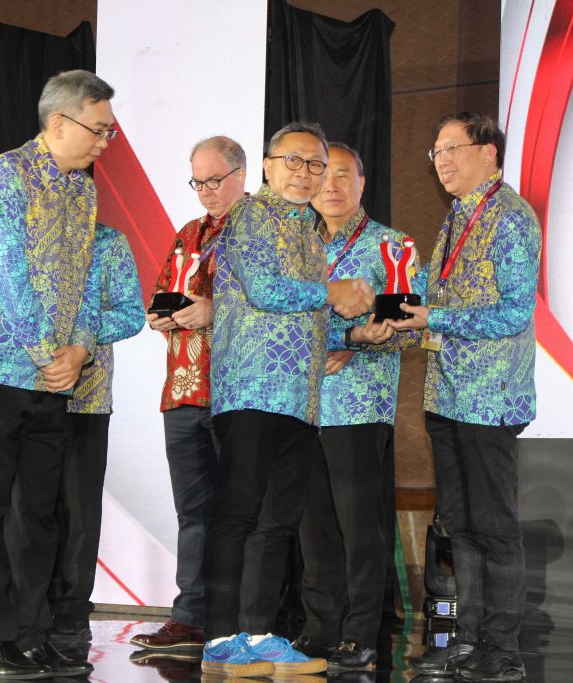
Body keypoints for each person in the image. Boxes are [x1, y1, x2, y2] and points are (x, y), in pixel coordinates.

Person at [0, 69, 115, 680]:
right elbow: (8, 274)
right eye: (99, 129)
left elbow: (85, 282)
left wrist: (80, 348)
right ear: (59, 122)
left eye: (110, 132)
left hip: (52, 377)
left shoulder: (84, 191)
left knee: (37, 514)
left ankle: (30, 632)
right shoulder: (8, 173)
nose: (105, 142)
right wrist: (51, 352)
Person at [200, 122, 374, 678]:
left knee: (276, 523)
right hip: (252, 391)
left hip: (301, 400)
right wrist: (332, 291)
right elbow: (265, 289)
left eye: (315, 165)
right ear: (268, 166)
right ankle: (218, 637)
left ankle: (257, 634)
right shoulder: (250, 215)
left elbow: (309, 316)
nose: (305, 173)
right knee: (238, 516)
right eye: (293, 161)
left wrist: (356, 334)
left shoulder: (311, 235)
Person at [390, 112, 540, 682]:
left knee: (495, 525)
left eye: (452, 147)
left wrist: (435, 316)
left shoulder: (511, 217)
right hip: (446, 394)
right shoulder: (457, 216)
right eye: (436, 151)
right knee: (461, 524)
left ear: (489, 152)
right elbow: (440, 295)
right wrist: (403, 310)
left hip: (489, 397)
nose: (442, 160)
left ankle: (503, 649)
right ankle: (470, 640)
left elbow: (513, 313)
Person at [295, 143, 425, 672]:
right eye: (322, 174)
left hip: (357, 406)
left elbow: (409, 329)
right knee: (313, 527)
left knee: (359, 525)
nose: (330, 185)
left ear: (362, 183)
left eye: (343, 174)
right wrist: (341, 336)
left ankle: (360, 633)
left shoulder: (391, 245)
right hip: (302, 406)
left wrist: (366, 340)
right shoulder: (297, 246)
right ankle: (319, 629)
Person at [130, 136, 248, 654]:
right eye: (197, 182)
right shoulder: (188, 234)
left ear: (241, 175)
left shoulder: (263, 230)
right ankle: (190, 616)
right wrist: (161, 313)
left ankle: (240, 618)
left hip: (240, 392)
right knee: (193, 513)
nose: (205, 191)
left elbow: (282, 306)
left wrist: (215, 310)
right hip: (183, 388)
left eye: (214, 180)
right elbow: (164, 289)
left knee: (241, 514)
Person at [48, 223, 145, 640]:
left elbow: (131, 312)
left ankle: (71, 608)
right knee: (30, 505)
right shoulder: (30, 235)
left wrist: (81, 337)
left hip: (87, 397)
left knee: (79, 509)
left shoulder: (108, 241)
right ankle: (27, 605)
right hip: (27, 390)